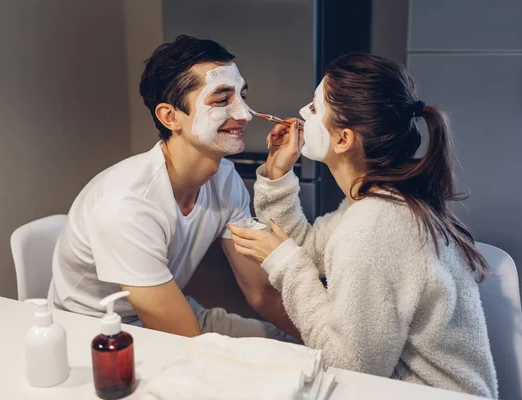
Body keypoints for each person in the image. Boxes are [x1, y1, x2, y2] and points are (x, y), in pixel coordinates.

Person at [227, 53, 498, 397]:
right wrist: (278, 178)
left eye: (313, 107)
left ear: (343, 140)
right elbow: (309, 253)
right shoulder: (378, 203)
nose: (301, 116)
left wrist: (284, 263)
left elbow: (351, 366)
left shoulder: (375, 226)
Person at [48, 35, 296, 340]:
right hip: (97, 336)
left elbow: (261, 292)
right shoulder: (126, 205)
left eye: (242, 96)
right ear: (170, 117)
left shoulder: (226, 179)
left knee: (291, 348)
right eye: (221, 99)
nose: (244, 114)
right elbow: (185, 341)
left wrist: (329, 347)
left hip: (171, 315)